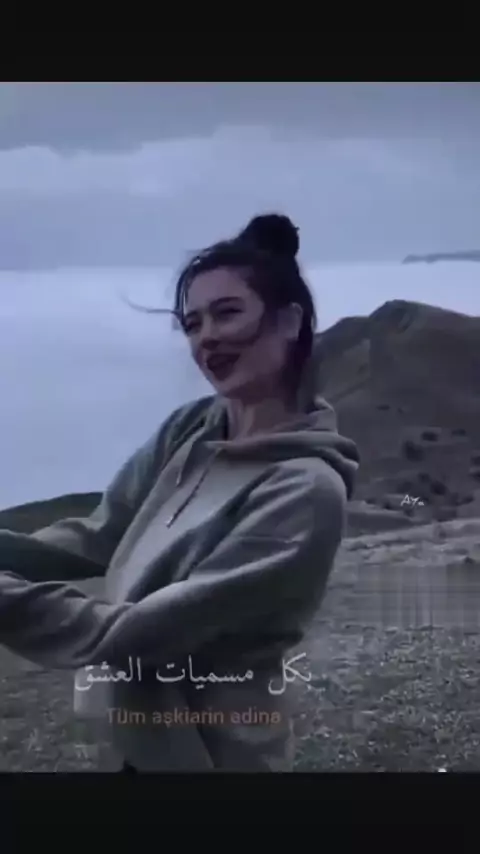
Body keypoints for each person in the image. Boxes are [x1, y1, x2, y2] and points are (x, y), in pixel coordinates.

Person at [0, 213, 359, 772]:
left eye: (227, 313)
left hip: (213, 757)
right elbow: (98, 536)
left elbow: (139, 637)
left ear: (290, 322)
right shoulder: (191, 427)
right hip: (134, 741)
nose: (205, 336)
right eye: (192, 323)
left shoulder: (305, 492)